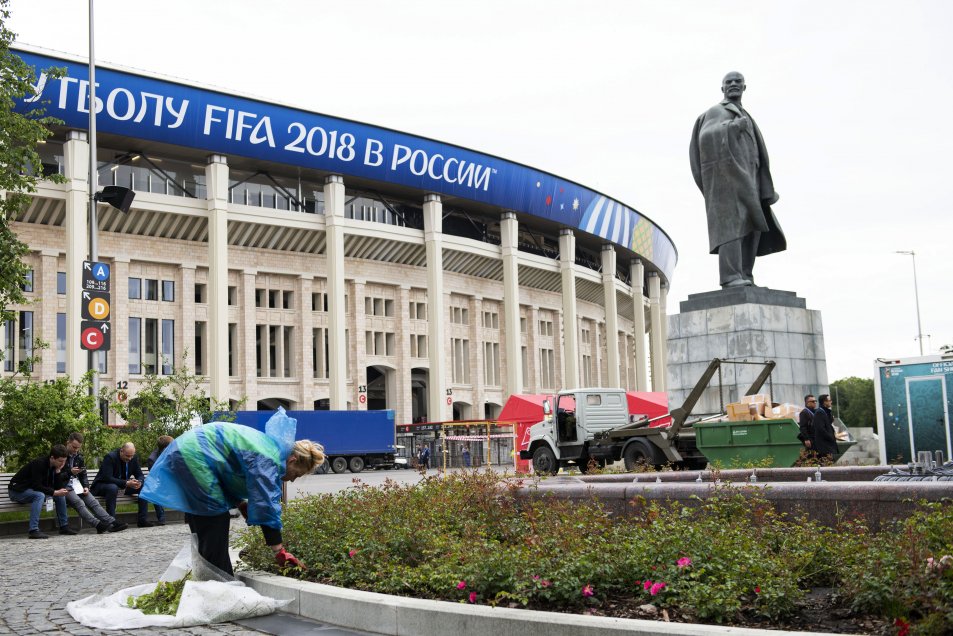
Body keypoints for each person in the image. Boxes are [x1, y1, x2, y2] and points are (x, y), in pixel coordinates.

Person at [140, 412, 324, 576]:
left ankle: (207, 578)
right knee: (215, 520)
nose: (291, 480)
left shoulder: (269, 448)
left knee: (206, 520)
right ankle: (219, 585)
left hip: (189, 449)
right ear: (292, 460)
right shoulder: (270, 459)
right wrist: (279, 551)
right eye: (296, 474)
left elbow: (226, 472)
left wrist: (238, 502)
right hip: (195, 453)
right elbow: (266, 505)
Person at [690, 71, 786, 288]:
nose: (733, 84)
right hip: (729, 181)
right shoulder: (717, 111)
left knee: (752, 227)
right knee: (731, 228)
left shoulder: (746, 114)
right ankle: (730, 276)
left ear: (744, 87)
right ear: (722, 88)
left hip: (750, 179)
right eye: (728, 82)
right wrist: (732, 128)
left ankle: (745, 274)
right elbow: (705, 137)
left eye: (737, 82)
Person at [62, 432, 127, 533]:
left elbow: (83, 475)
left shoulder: (79, 457)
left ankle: (112, 522)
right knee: (79, 502)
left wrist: (86, 486)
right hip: (64, 487)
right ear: (68, 443)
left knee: (93, 501)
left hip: (77, 486)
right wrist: (70, 472)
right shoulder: (60, 455)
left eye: (78, 448)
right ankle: (97, 524)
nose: (76, 450)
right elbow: (56, 476)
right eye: (74, 447)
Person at [8, 444, 74, 538]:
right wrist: (54, 492)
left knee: (60, 495)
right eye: (60, 461)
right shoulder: (39, 464)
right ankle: (33, 530)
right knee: (39, 495)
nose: (62, 463)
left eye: (64, 461)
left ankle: (64, 526)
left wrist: (58, 471)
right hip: (17, 491)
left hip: (32, 490)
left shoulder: (54, 466)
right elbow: (37, 486)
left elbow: (58, 487)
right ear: (52, 457)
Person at [91, 442, 152, 528]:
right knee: (112, 488)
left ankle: (142, 520)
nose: (130, 458)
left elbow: (140, 475)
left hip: (121, 486)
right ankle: (112, 523)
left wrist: (139, 482)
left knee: (143, 486)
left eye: (132, 455)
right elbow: (107, 477)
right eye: (127, 456)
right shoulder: (110, 457)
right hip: (102, 486)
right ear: (121, 451)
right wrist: (126, 483)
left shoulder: (133, 458)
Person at [145, 435, 174, 526]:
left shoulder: (173, 453)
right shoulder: (152, 459)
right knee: (154, 488)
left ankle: (189, 518)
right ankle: (161, 519)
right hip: (161, 482)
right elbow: (156, 477)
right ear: (166, 447)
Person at [811, 394, 840, 461]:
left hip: (827, 444)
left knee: (829, 465)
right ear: (825, 402)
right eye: (829, 400)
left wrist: (830, 420)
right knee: (826, 465)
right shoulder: (819, 412)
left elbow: (826, 425)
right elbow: (820, 428)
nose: (831, 402)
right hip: (824, 446)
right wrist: (830, 437)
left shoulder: (825, 412)